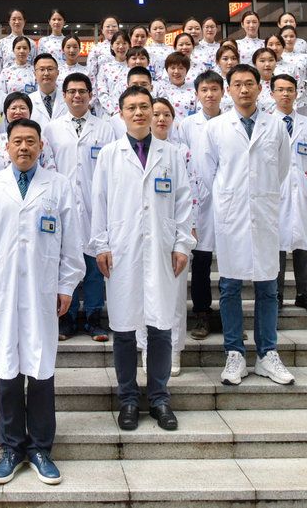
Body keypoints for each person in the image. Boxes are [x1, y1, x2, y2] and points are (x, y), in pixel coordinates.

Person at [0, 118, 83, 486]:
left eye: (31, 141)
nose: (24, 147)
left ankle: (41, 448)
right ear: (6, 147)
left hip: (42, 289)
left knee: (41, 364)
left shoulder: (58, 186)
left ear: (41, 146)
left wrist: (66, 286)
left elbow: (72, 242)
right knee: (7, 364)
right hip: (1, 290)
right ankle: (12, 448)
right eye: (17, 141)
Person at [92, 87, 193, 432]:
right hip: (122, 251)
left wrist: (182, 244)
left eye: (144, 106)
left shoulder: (172, 154)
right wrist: (101, 245)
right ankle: (128, 399)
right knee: (123, 328)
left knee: (161, 326)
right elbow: (99, 201)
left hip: (162, 250)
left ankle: (160, 397)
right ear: (121, 114)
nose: (139, 112)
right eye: (132, 107)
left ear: (153, 111)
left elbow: (184, 202)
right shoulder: (109, 154)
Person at [198, 64, 294, 388]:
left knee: (268, 286)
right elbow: (207, 173)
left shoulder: (275, 126)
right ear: (228, 89)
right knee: (229, 286)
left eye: (249, 83)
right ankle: (234, 353)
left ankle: (267, 354)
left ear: (260, 88)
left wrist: (259, 195)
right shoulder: (216, 128)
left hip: (263, 213)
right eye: (237, 84)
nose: (243, 89)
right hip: (231, 215)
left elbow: (281, 169)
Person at [45, 73, 117, 342]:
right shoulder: (52, 129)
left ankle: (94, 318)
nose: (77, 96)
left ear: (90, 95)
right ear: (64, 95)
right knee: (66, 263)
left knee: (95, 264)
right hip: (62, 205)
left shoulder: (105, 128)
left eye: (82, 91)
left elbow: (111, 170)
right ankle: (68, 318)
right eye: (72, 91)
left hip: (95, 205)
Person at [144, 96, 194, 375]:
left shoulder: (181, 152)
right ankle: (146, 349)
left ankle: (174, 350)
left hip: (172, 234)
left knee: (174, 297)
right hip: (143, 234)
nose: (161, 119)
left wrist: (184, 238)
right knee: (143, 295)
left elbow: (189, 195)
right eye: (156, 114)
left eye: (167, 115)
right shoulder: (137, 151)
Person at [271, 73, 307, 316]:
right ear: (272, 93)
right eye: (280, 89)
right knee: (276, 244)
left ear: (297, 93)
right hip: (275, 192)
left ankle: (304, 293)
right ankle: (276, 294)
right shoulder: (266, 123)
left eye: (290, 90)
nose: (285, 94)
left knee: (304, 242)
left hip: (302, 191)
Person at [181, 70, 224, 340]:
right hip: (199, 201)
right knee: (201, 260)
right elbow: (184, 165)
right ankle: (202, 313)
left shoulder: (232, 121)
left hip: (229, 198)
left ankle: (230, 316)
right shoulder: (187, 125)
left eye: (214, 89)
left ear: (223, 92)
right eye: (204, 90)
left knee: (232, 262)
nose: (209, 95)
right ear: (196, 94)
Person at [0, 92, 58, 176]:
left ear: (30, 112)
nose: (18, 112)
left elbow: (50, 170)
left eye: (22, 108)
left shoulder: (40, 139)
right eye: (13, 108)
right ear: (6, 113)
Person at [276, 26, 307, 114]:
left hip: (303, 101)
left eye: (292, 36)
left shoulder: (305, 57)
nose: (289, 39)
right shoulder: (276, 58)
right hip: (281, 101)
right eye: (285, 36)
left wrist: (305, 84)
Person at [94, 29, 131, 116]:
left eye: (124, 43)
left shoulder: (133, 67)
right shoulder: (105, 68)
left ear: (129, 45)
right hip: (110, 114)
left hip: (131, 113)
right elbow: (102, 92)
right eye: (117, 43)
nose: (121, 47)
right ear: (111, 46)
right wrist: (114, 111)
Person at [155, 52, 197, 119]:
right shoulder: (159, 86)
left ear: (187, 70)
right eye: (173, 68)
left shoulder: (194, 88)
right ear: (167, 70)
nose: (176, 71)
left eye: (181, 68)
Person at [28, 53, 67, 126]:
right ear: (35, 74)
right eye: (42, 69)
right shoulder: (28, 101)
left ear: (57, 72)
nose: (46, 73)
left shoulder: (68, 99)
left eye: (50, 69)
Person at [0, 9, 28, 74]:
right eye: (14, 19)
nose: (17, 22)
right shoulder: (2, 43)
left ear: (24, 21)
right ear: (9, 22)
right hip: (6, 79)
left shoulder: (31, 44)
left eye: (20, 19)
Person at [86, 15, 119, 84]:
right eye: (108, 26)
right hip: (101, 87)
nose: (111, 29)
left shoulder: (125, 47)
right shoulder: (96, 48)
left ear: (118, 29)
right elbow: (91, 73)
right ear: (102, 30)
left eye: (114, 26)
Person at [252, 47, 280, 113]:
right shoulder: (250, 84)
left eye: (271, 60)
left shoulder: (282, 83)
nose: (267, 64)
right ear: (255, 64)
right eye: (262, 61)